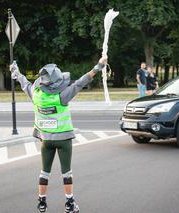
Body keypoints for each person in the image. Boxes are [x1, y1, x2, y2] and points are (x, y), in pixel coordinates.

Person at [10, 57, 108, 213]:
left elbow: (24, 83)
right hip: (63, 140)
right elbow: (81, 82)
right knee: (66, 172)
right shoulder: (62, 96)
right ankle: (69, 204)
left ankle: (42, 203)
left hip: (46, 140)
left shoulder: (36, 94)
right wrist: (99, 66)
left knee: (44, 171)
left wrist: (16, 71)